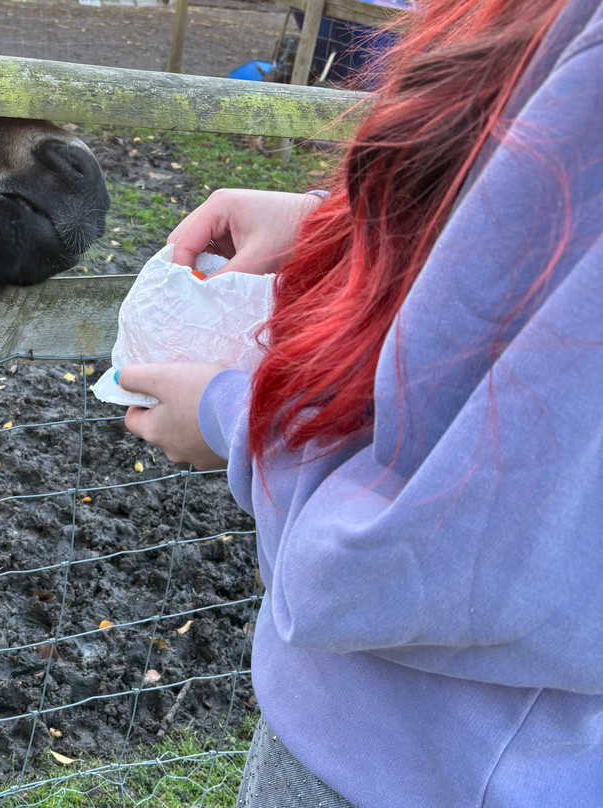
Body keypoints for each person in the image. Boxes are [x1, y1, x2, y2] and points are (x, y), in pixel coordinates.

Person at [118, 0, 602, 805]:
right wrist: (341, 231)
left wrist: (231, 421)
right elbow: (526, 268)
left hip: (419, 769)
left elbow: (422, 547)